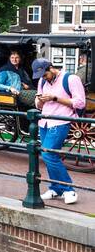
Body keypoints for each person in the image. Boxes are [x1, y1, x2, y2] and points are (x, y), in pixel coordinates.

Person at [34, 59, 85, 204]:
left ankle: (69, 189)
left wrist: (55, 98)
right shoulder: (42, 81)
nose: (43, 78)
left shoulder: (71, 79)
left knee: (48, 154)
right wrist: (40, 100)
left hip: (61, 121)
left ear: (51, 68)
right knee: (49, 156)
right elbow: (38, 104)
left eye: (45, 75)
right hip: (44, 121)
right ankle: (55, 188)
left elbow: (80, 102)